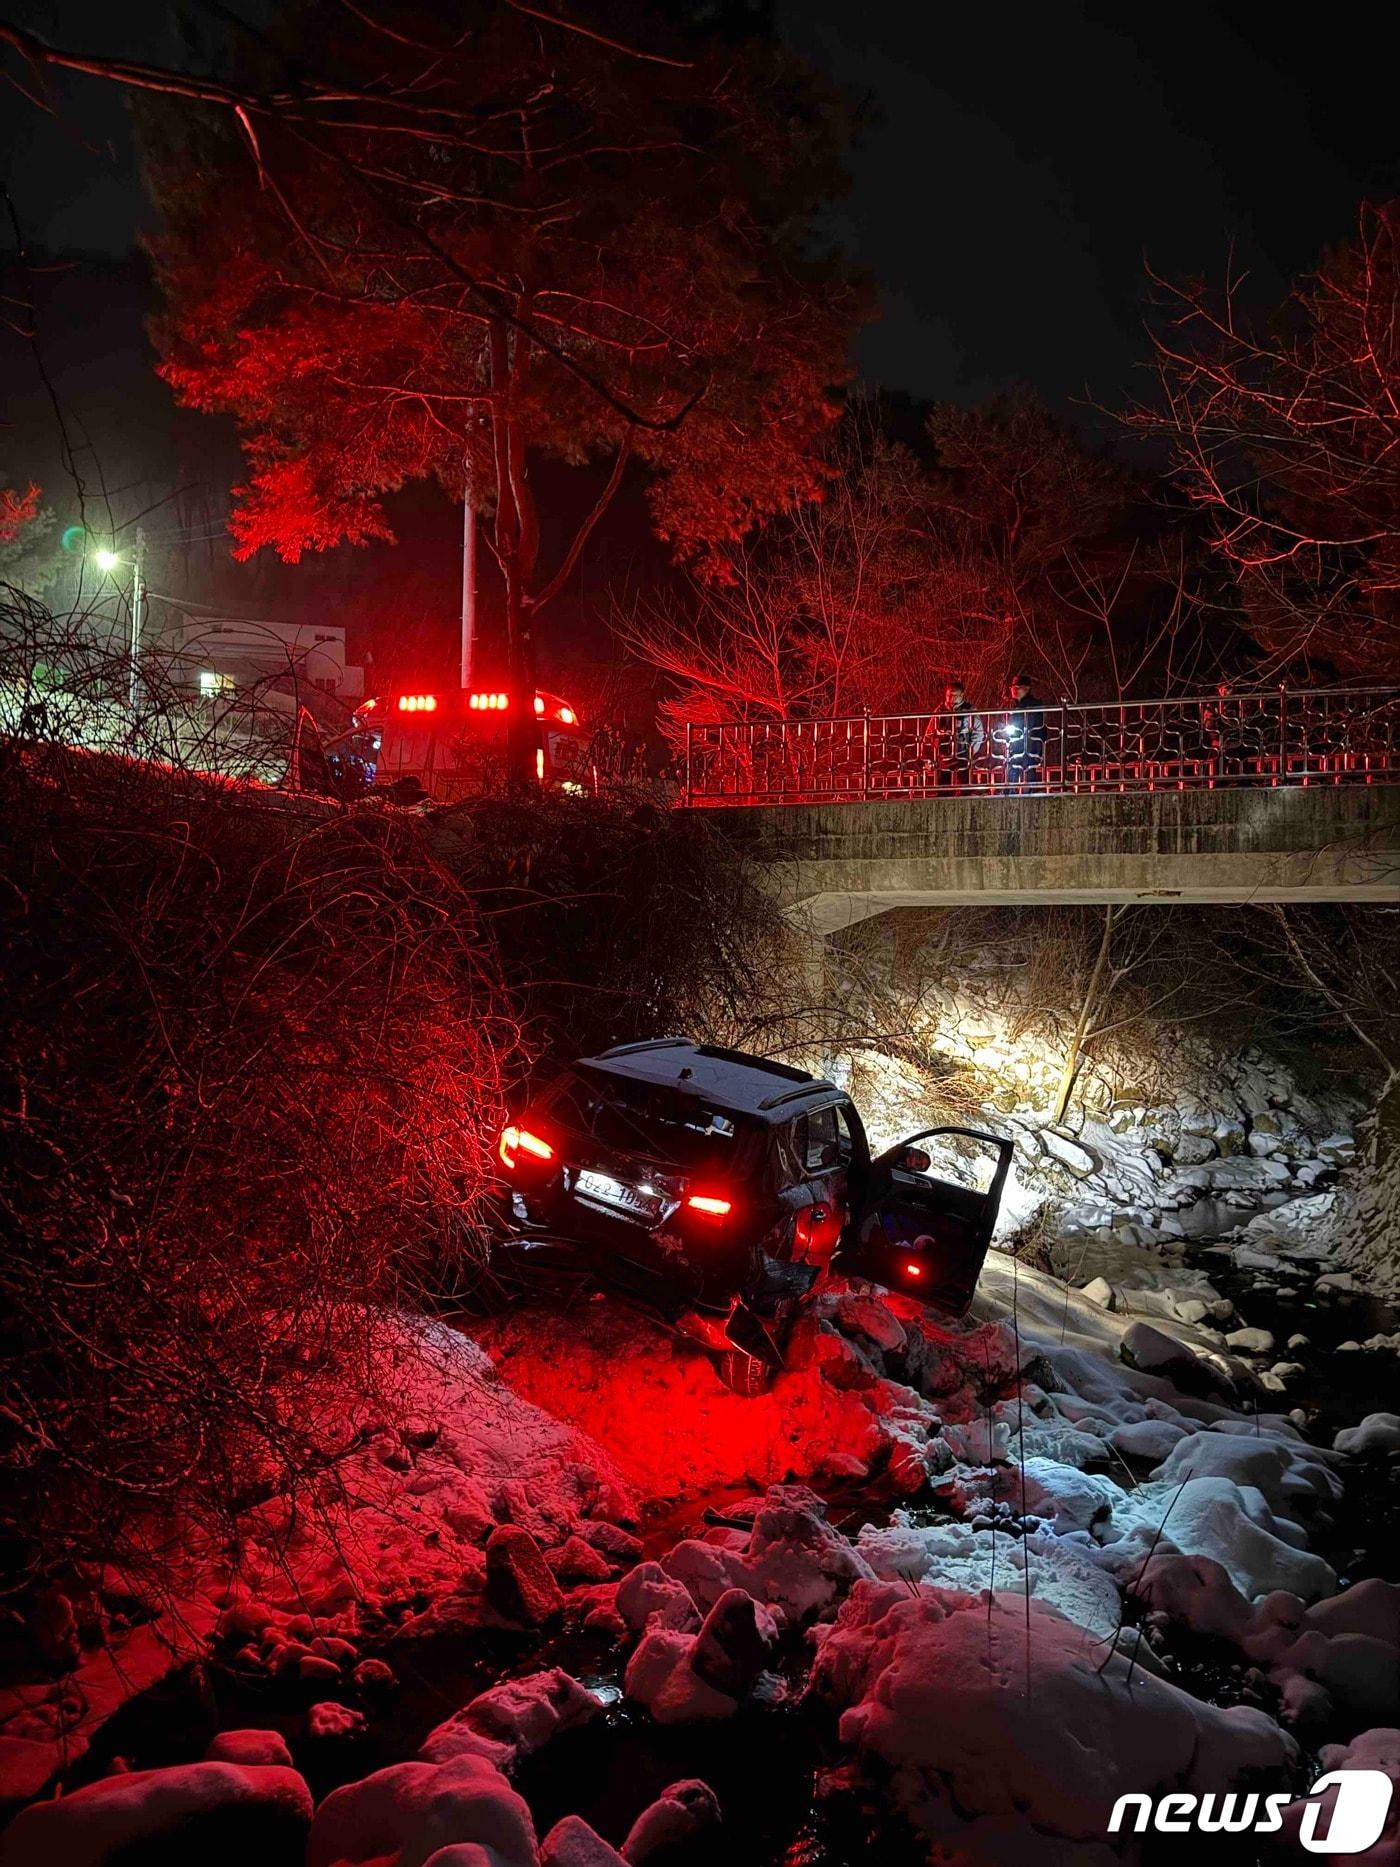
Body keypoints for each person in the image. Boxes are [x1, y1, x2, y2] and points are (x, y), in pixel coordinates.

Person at [997, 674, 1047, 783]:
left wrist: (1038, 750)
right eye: (1013, 688)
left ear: (1027, 688)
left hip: (1029, 746)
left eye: (1018, 688)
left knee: (1028, 776)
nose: (1014, 690)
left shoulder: (1034, 705)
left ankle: (1029, 794)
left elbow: (1038, 728)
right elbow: (1002, 724)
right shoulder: (1010, 705)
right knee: (1010, 776)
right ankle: (1008, 794)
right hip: (1013, 746)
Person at [940, 679, 985, 788]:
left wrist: (972, 751)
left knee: (964, 787)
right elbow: (930, 733)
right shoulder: (940, 711)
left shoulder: (970, 710)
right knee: (942, 788)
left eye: (955, 696)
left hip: (964, 754)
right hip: (945, 756)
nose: (951, 699)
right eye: (949, 695)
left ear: (962, 695)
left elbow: (978, 733)